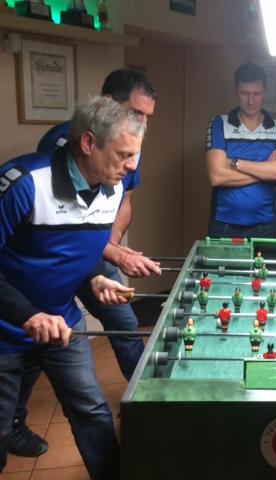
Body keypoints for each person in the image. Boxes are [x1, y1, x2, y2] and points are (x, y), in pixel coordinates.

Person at [9, 69, 160, 459]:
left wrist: (94, 275)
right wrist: (28, 314)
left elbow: (79, 240)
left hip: (63, 314)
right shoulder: (26, 181)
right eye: (124, 155)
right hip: (8, 324)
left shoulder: (113, 182)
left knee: (93, 413)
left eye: (135, 156)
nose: (132, 167)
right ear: (89, 143)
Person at [205, 62, 276, 240]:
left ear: (265, 92)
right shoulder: (219, 123)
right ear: (236, 90)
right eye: (245, 93)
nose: (251, 101)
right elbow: (216, 176)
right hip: (223, 225)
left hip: (263, 227)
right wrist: (266, 171)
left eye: (257, 93)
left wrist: (235, 163)